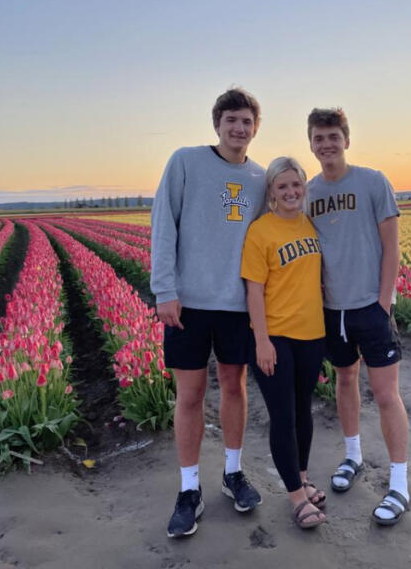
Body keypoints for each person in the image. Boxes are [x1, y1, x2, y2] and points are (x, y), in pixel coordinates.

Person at [151, 88, 266, 539]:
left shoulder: (259, 177)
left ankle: (233, 473)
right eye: (231, 120)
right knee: (191, 395)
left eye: (247, 122)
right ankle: (188, 489)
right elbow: (165, 223)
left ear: (255, 129)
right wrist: (165, 289)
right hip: (189, 304)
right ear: (216, 123)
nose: (239, 128)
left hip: (236, 304)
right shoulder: (185, 162)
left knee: (235, 387)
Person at [306, 107, 410, 526]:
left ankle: (399, 484)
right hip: (331, 310)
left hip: (370, 306)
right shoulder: (308, 191)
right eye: (319, 138)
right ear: (311, 144)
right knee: (344, 379)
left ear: (346, 140)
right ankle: (353, 457)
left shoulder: (372, 181)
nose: (327, 144)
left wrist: (383, 304)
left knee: (386, 395)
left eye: (334, 136)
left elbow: (392, 247)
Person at [241, 156, 327, 529]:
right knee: (283, 415)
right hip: (275, 336)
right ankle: (295, 496)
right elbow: (254, 291)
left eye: (296, 185)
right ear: (272, 193)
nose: (291, 192)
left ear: (304, 187)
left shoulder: (311, 224)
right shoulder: (261, 231)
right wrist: (261, 341)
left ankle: (303, 477)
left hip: (312, 333)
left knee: (303, 410)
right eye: (282, 187)